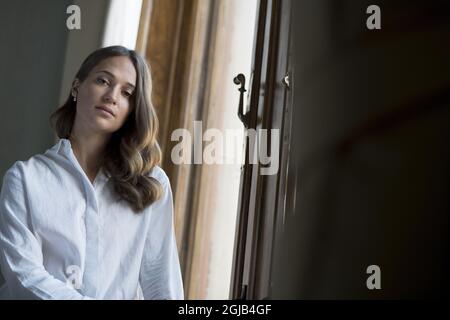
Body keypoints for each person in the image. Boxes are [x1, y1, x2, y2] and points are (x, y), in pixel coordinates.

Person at [0, 46, 184, 300]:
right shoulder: (24, 179)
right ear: (77, 87)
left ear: (132, 108)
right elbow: (24, 276)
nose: (112, 96)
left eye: (127, 93)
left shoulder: (150, 183)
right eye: (103, 81)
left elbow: (161, 283)